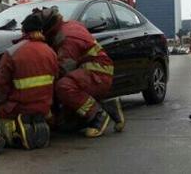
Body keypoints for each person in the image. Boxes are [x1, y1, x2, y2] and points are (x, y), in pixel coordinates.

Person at [37, 7, 125, 137]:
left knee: (63, 86)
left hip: (96, 73)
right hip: (97, 72)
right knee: (67, 122)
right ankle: (109, 107)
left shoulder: (66, 39)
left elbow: (64, 70)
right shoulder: (71, 25)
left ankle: (98, 117)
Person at [0, 12, 59, 149]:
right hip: (44, 107)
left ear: (23, 31)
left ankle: (16, 130)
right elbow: (55, 79)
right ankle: (38, 123)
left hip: (19, 107)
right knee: (38, 110)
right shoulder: (51, 52)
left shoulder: (11, 52)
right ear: (41, 31)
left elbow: (1, 85)